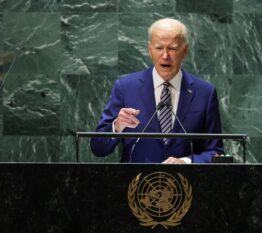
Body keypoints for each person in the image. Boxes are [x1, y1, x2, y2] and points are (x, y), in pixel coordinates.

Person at [90, 17, 223, 163]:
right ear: (150, 50)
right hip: (137, 183)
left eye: (172, 48)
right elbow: (98, 148)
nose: (165, 56)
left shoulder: (205, 93)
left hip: (185, 183)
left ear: (185, 50)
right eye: (159, 48)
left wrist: (185, 162)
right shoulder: (125, 88)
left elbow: (215, 152)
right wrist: (117, 126)